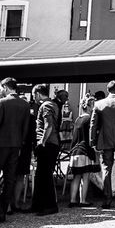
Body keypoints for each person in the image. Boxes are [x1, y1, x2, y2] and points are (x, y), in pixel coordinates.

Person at [89, 80, 115, 209]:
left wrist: (92, 141)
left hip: (105, 140)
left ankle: (107, 198)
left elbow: (93, 125)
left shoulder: (99, 104)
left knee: (106, 170)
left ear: (107, 90)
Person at [0, 78, 30, 221]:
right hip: (16, 144)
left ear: (5, 87)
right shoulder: (25, 104)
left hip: (1, 144)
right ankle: (3, 212)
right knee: (9, 179)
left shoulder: (2, 102)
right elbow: (25, 127)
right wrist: (21, 142)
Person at [31, 83, 60, 216]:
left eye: (33, 95)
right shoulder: (53, 104)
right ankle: (37, 204)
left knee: (45, 175)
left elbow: (48, 126)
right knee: (41, 175)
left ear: (37, 94)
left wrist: (41, 142)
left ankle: (49, 206)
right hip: (52, 143)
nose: (33, 98)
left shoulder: (46, 105)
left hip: (48, 144)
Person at [68, 95, 99, 208]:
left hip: (75, 151)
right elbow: (90, 138)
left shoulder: (78, 119)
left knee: (76, 176)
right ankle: (83, 200)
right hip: (84, 151)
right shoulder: (89, 119)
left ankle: (72, 200)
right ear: (90, 107)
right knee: (85, 177)